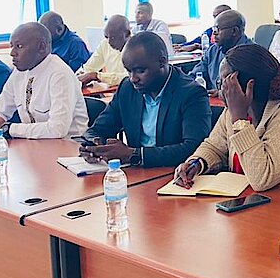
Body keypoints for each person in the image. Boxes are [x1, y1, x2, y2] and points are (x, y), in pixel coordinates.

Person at [174, 44, 280, 193]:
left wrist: (240, 121)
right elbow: (214, 146)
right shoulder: (232, 111)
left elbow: (262, 179)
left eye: (224, 82)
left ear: (248, 86)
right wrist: (197, 162)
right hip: (249, 198)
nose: (220, 89)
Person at [80, 32, 211, 168]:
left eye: (140, 71)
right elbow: (96, 130)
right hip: (137, 173)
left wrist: (134, 155)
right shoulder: (127, 88)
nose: (133, 78)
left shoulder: (191, 93)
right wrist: (93, 146)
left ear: (162, 62)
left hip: (175, 173)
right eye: (129, 71)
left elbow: (194, 148)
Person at [0, 22, 89, 139]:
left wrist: (8, 128)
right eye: (12, 46)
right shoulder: (19, 72)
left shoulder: (60, 74)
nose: (12, 53)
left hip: (68, 144)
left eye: (19, 46)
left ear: (41, 47)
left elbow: (57, 129)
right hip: (32, 143)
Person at [192, 9, 252, 93]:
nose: (214, 33)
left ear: (234, 31)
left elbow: (250, 88)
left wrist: (221, 92)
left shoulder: (252, 54)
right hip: (211, 99)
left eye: (218, 29)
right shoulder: (213, 50)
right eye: (213, 29)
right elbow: (196, 74)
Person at [78, 15, 130, 87]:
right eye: (106, 37)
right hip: (111, 90)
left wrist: (97, 76)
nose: (109, 41)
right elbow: (89, 67)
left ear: (127, 34)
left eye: (113, 37)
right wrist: (80, 75)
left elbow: (128, 77)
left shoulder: (137, 48)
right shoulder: (105, 44)